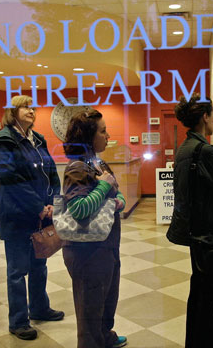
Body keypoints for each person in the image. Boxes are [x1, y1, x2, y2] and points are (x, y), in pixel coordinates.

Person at [166, 94, 213, 348]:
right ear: (205, 117)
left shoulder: (185, 148)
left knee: (198, 293)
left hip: (194, 230)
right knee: (208, 298)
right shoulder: (204, 150)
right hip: (209, 232)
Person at [0, 95, 64, 341]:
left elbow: (52, 173)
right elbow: (10, 179)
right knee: (17, 270)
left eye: (32, 107)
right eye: (25, 106)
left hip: (41, 213)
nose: (31, 110)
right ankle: (19, 321)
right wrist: (37, 206)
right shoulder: (3, 140)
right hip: (17, 214)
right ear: (12, 112)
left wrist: (52, 202)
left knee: (39, 264)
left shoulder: (38, 139)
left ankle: (40, 308)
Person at [61, 108, 128, 348]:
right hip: (87, 252)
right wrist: (103, 188)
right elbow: (78, 209)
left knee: (106, 302)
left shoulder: (98, 163)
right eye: (103, 131)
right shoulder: (77, 168)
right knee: (89, 312)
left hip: (105, 246)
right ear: (88, 137)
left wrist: (118, 199)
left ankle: (105, 337)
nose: (108, 135)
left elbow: (115, 190)